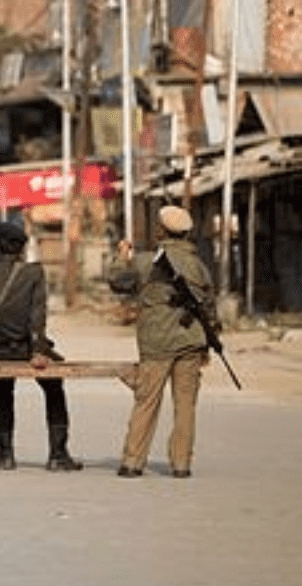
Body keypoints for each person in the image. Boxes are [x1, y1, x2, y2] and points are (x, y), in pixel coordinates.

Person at [0, 222, 83, 472]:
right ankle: (58, 454)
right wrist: (39, 351)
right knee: (54, 388)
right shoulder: (33, 273)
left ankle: (5, 454)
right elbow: (38, 316)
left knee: (2, 393)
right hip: (27, 349)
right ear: (22, 248)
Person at [110, 205, 215, 479]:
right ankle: (182, 464)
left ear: (161, 230)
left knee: (146, 401)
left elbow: (118, 282)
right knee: (185, 405)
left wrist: (122, 257)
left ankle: (133, 462)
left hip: (157, 343)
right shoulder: (199, 265)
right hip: (191, 340)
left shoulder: (147, 262)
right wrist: (207, 345)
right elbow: (209, 307)